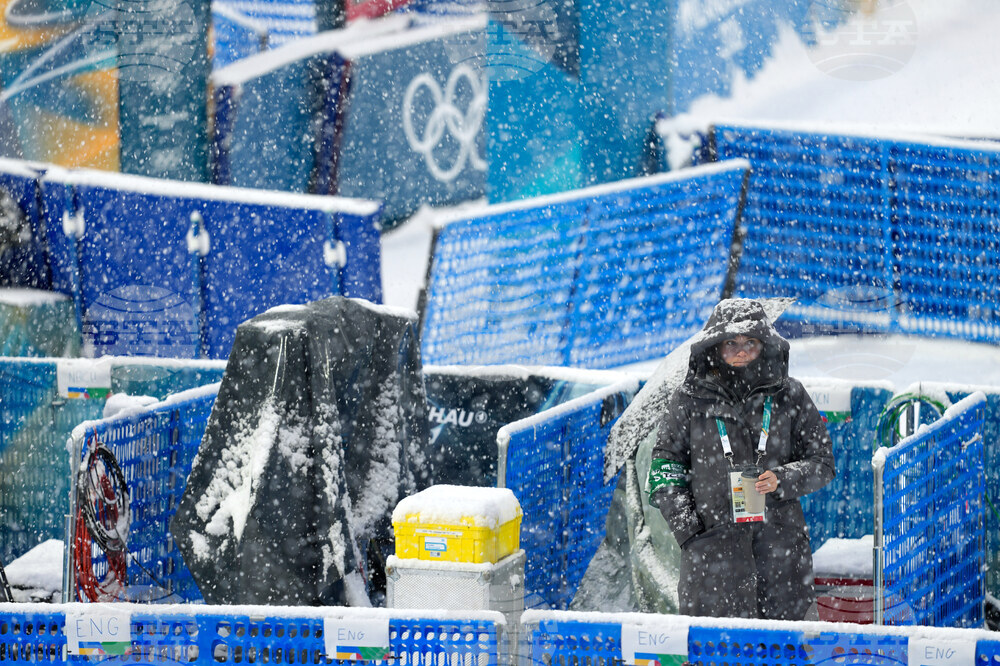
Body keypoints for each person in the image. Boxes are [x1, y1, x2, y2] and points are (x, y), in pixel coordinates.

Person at [648, 298, 834, 620]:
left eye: (750, 342)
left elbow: (822, 462)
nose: (741, 350)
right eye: (731, 343)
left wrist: (783, 479)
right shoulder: (688, 399)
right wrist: (692, 534)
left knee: (782, 654)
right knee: (714, 654)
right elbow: (664, 470)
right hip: (710, 566)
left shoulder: (789, 394)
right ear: (715, 346)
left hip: (781, 559)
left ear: (765, 344)